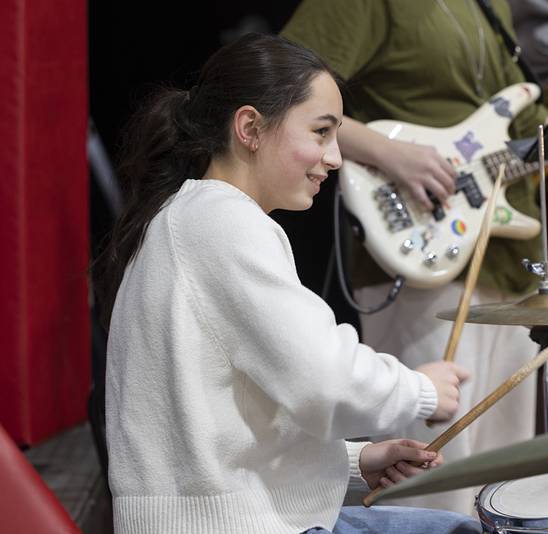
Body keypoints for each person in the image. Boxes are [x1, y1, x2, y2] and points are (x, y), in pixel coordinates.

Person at [95, 33, 481, 534]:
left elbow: (235, 426)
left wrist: (352, 465)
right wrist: (421, 391)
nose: (336, 157)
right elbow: (325, 378)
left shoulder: (190, 217)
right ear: (251, 127)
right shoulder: (222, 222)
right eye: (321, 133)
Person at [282, 0, 548, 515]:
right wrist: (390, 152)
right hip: (418, 252)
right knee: (435, 480)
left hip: (506, 258)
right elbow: (278, 93)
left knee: (506, 479)